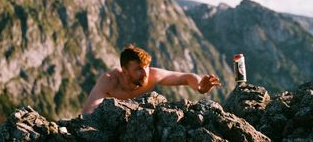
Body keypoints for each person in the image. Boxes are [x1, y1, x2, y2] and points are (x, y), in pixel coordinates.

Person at [82, 44, 221, 114]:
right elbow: (89, 110)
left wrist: (199, 86)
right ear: (124, 70)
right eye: (138, 69)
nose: (145, 73)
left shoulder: (152, 75)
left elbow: (186, 77)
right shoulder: (109, 81)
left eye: (146, 67)